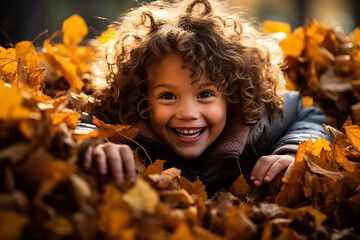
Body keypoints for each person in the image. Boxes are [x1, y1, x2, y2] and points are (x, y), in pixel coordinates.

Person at [80, 0, 331, 196]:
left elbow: (307, 115)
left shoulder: (256, 127)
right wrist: (95, 143)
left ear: (232, 94)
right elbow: (80, 120)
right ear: (141, 97)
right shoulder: (127, 126)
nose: (188, 113)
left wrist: (291, 152)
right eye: (167, 96)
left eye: (205, 94)